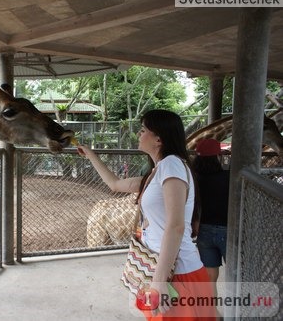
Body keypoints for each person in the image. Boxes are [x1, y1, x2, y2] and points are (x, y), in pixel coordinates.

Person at [77, 109, 215, 320]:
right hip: (162, 268)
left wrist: (159, 283)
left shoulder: (172, 165)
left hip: (177, 274)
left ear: (158, 139)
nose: (138, 135)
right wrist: (91, 155)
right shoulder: (157, 171)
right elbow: (114, 184)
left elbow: (176, 226)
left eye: (142, 130)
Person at [193, 139, 229, 293]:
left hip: (204, 230)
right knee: (237, 274)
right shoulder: (228, 177)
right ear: (218, 156)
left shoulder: (194, 178)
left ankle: (213, 313)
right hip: (228, 230)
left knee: (209, 275)